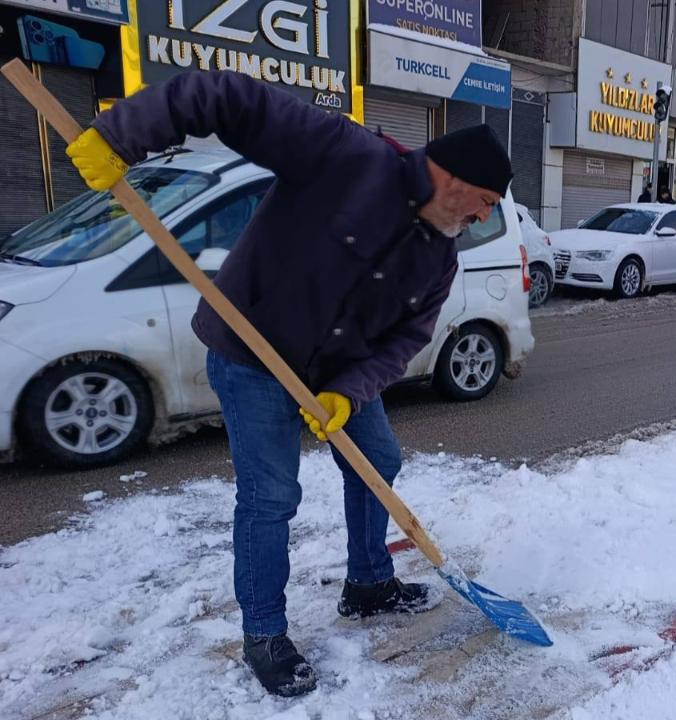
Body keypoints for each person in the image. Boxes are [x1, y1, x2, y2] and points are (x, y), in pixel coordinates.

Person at [65, 71, 512, 698]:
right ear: (455, 180)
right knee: (272, 496)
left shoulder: (438, 256)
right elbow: (226, 96)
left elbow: (406, 340)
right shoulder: (344, 155)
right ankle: (265, 635)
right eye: (486, 201)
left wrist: (349, 390)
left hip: (335, 374)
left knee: (378, 458)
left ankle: (367, 583)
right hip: (253, 357)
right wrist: (121, 133)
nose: (483, 216)